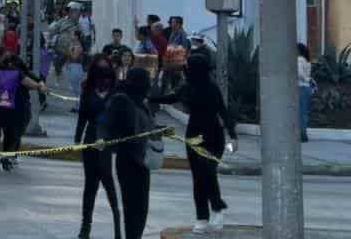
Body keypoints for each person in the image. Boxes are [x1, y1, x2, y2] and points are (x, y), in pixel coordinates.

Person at [149, 53, 236, 233]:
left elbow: (223, 112)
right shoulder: (187, 87)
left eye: (189, 66)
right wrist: (150, 98)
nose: (186, 69)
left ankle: (218, 208)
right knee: (198, 178)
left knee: (208, 172)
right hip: (193, 135)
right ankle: (202, 218)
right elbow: (171, 98)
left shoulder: (212, 89)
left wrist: (233, 135)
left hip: (213, 136)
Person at [98, 67, 155, 239]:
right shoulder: (121, 99)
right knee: (134, 209)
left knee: (140, 209)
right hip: (129, 161)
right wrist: (102, 138)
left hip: (142, 161)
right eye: (147, 81)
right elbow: (103, 119)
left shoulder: (139, 101)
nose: (149, 85)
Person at [74, 56, 116, 239]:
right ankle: (85, 227)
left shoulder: (116, 92)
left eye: (106, 70)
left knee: (109, 184)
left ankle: (118, 224)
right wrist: (77, 139)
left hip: (108, 142)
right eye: (99, 71)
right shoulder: (88, 91)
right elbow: (82, 116)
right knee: (90, 185)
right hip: (91, 139)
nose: (103, 76)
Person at [298, 43, 313, 143]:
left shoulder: (299, 59)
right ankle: (303, 133)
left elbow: (299, 73)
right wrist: (308, 80)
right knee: (304, 112)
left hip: (300, 87)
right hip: (306, 88)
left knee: (299, 112)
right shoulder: (307, 61)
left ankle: (301, 134)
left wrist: (306, 79)